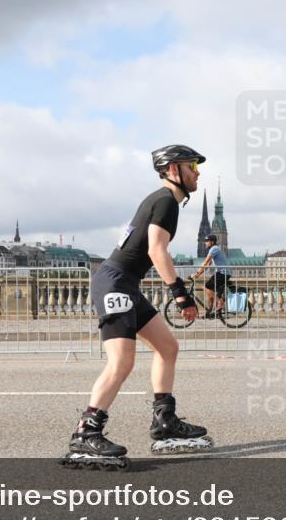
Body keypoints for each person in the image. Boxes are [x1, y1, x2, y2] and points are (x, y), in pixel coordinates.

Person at [61, 144, 213, 470]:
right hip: (114, 283)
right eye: (192, 167)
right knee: (122, 362)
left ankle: (165, 422)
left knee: (167, 347)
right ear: (173, 170)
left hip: (125, 285)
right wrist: (180, 293)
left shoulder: (164, 200)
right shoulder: (165, 201)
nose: (197, 173)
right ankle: (86, 433)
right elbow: (157, 250)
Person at [192, 234, 232, 318]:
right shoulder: (214, 249)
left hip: (223, 273)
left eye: (207, 241)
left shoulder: (214, 249)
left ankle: (220, 303)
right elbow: (207, 265)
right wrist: (198, 274)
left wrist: (196, 273)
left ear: (212, 242)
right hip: (222, 273)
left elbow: (205, 262)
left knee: (206, 287)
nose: (205, 243)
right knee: (210, 294)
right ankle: (210, 314)